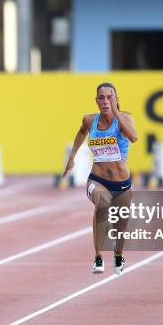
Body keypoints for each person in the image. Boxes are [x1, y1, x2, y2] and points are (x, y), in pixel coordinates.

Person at [63, 82, 138, 275]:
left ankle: (118, 254)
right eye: (101, 97)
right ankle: (98, 256)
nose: (106, 101)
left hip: (122, 183)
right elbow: (81, 132)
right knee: (102, 203)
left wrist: (117, 113)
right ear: (96, 101)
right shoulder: (90, 120)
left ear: (116, 99)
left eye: (110, 97)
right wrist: (71, 157)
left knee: (121, 224)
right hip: (97, 179)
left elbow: (134, 137)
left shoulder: (125, 119)